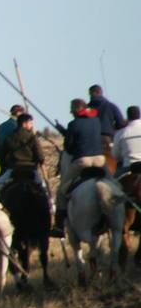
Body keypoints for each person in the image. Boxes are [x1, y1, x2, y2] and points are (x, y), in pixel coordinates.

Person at [52, 100, 104, 237]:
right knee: (114, 185)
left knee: (62, 191)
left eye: (71, 110)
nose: (70, 112)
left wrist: (67, 133)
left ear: (75, 110)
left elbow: (69, 147)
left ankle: (58, 227)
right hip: (100, 159)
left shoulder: (73, 124)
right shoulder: (96, 120)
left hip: (83, 161)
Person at [0, 113, 48, 193]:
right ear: (24, 123)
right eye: (30, 123)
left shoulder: (9, 137)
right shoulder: (32, 138)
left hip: (14, 169)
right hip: (31, 170)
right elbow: (40, 157)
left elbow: (1, 157)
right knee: (44, 191)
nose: (32, 125)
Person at [114, 105, 141, 174]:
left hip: (128, 166)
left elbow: (115, 155)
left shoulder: (121, 133)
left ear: (128, 116)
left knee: (113, 183)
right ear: (139, 115)